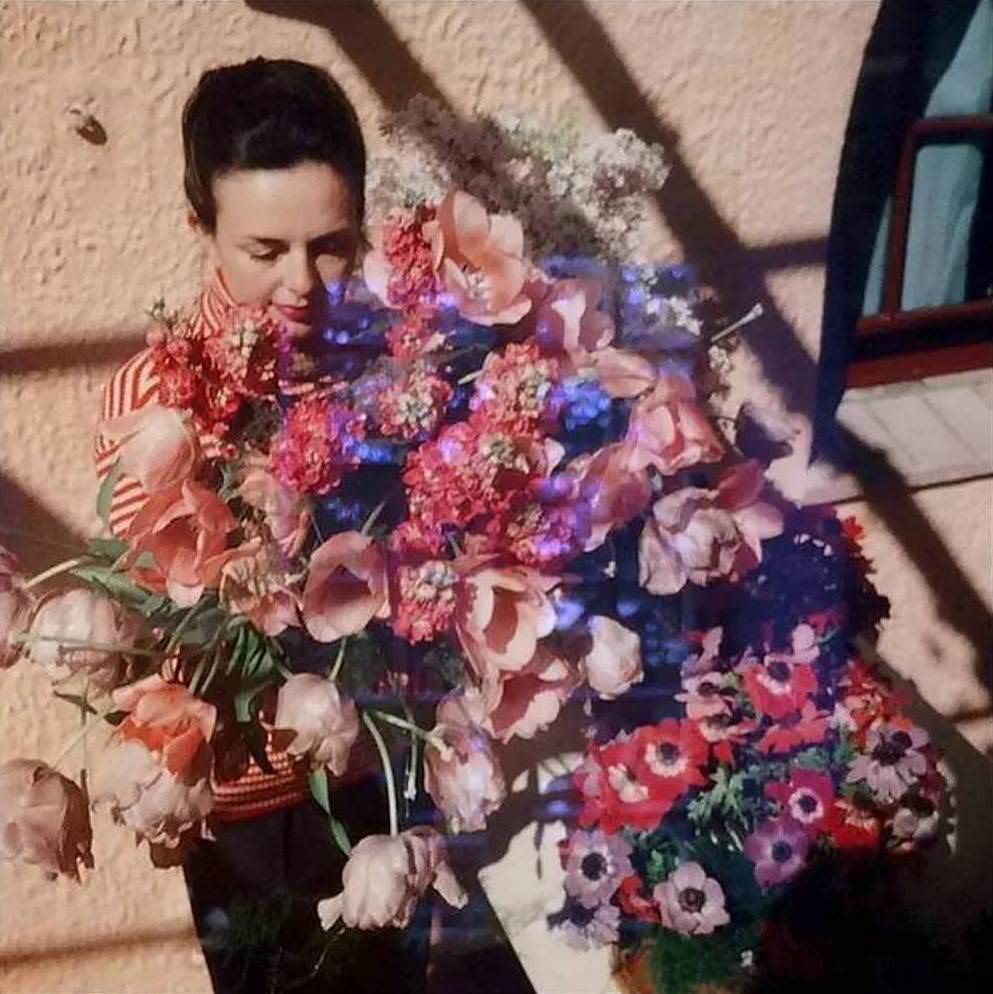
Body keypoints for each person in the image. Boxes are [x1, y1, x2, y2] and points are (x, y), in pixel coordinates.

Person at [93, 57, 425, 994]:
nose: (304, 284)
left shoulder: (396, 374)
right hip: (243, 810)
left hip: (381, 772)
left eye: (332, 244)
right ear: (201, 226)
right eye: (265, 250)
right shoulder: (150, 402)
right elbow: (160, 633)